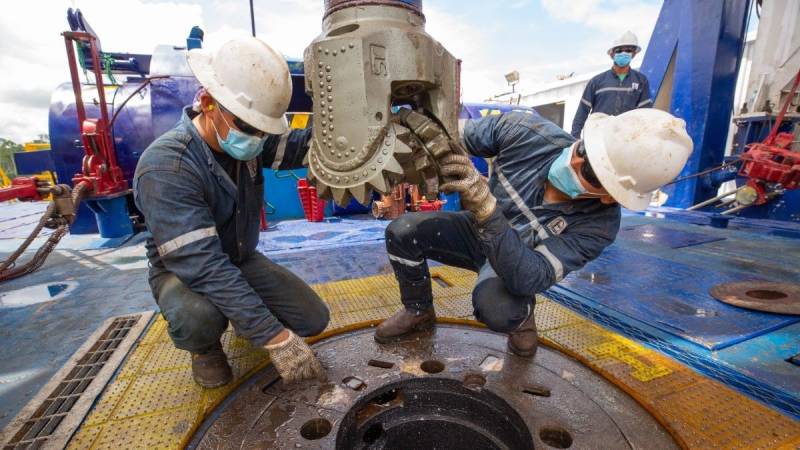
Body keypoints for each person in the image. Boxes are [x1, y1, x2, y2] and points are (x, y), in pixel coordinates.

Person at [375, 108, 692, 357]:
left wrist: (487, 210)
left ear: (610, 195)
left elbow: (529, 276)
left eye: (591, 171)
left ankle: (523, 316)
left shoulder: (599, 226)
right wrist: (417, 131)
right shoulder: (526, 132)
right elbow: (451, 135)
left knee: (499, 310)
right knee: (403, 232)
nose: (574, 160)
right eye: (583, 148)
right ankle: (418, 311)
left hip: (514, 261)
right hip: (475, 233)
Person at [134, 37, 329, 388]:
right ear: (208, 103)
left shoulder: (245, 140)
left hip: (239, 257)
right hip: (186, 271)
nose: (256, 139)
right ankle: (205, 349)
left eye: (263, 131)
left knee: (313, 319)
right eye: (249, 128)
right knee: (198, 317)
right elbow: (204, 266)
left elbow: (300, 146)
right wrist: (275, 338)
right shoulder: (166, 168)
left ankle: (243, 318)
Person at [571, 31, 653, 138]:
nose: (624, 53)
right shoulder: (596, 81)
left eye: (628, 50)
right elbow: (582, 112)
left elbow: (645, 114)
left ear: (634, 54)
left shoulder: (641, 81)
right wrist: (574, 138)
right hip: (598, 137)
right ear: (611, 54)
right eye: (619, 50)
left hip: (627, 138)